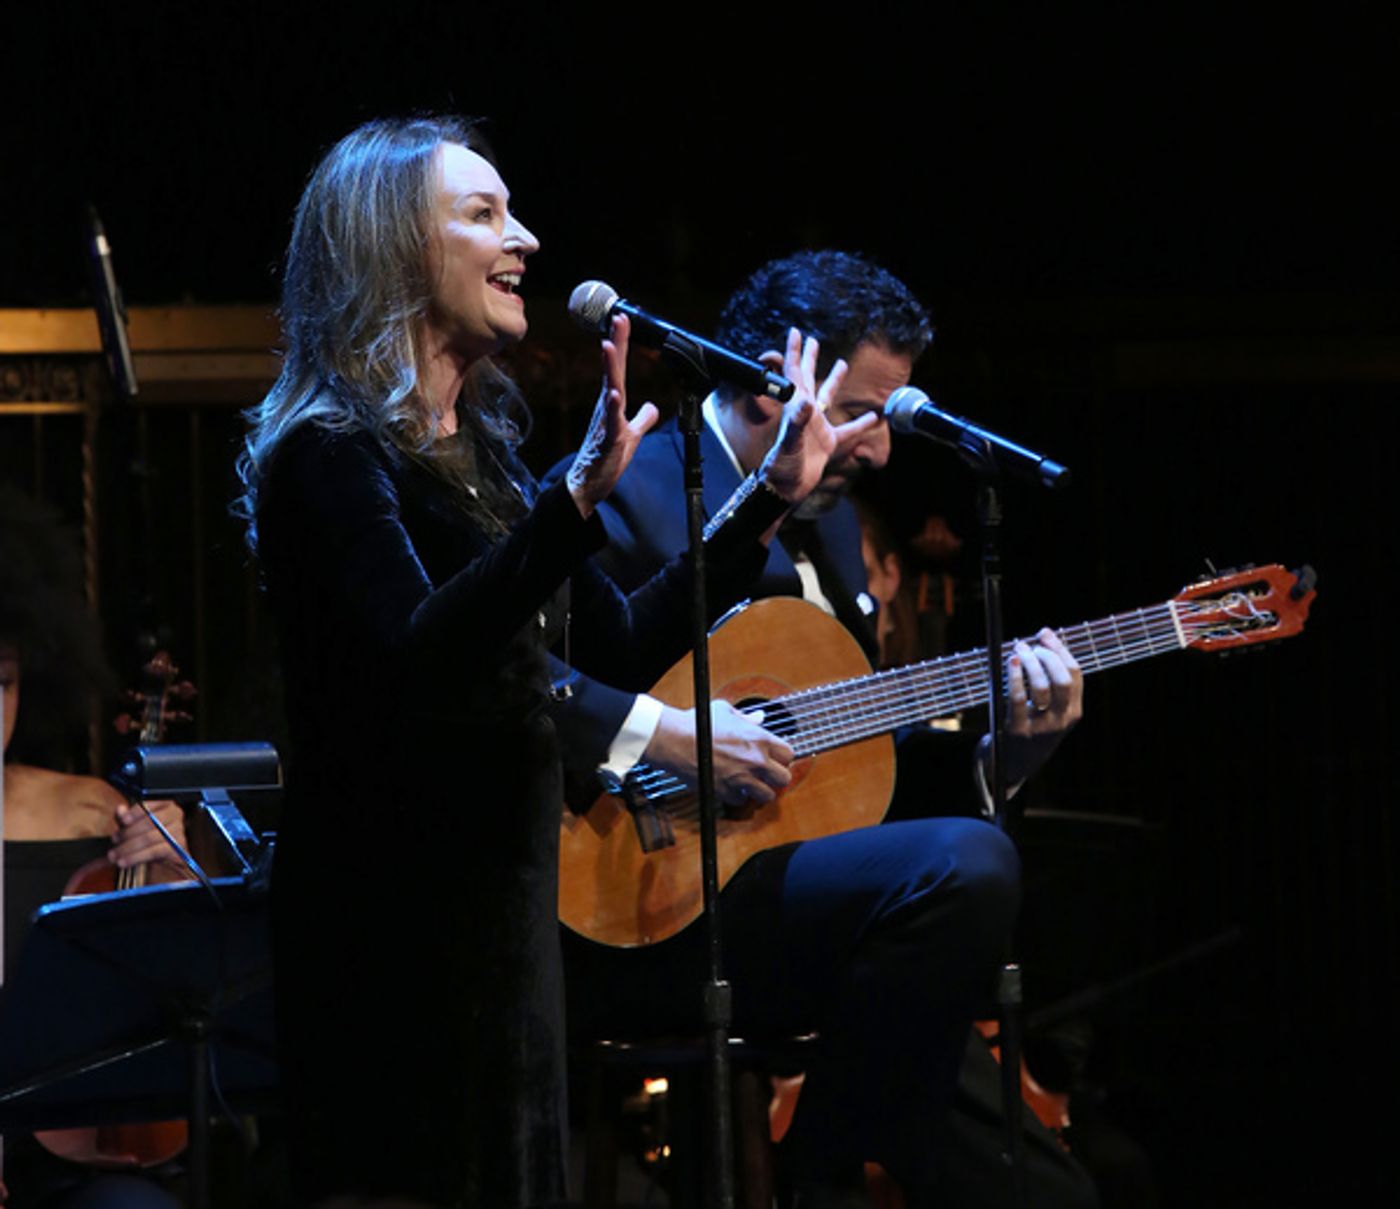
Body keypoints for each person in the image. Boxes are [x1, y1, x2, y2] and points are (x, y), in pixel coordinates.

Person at [234, 117, 864, 1209]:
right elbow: (417, 653)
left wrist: (767, 496)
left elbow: (616, 645)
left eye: (511, 209)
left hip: (505, 941)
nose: (521, 237)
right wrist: (567, 509)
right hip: (393, 954)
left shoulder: (474, 456)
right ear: (392, 249)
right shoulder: (327, 458)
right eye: (480, 214)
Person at [545, 250, 1091, 1207]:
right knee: (964, 875)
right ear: (774, 378)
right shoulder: (624, 489)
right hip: (642, 903)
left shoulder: (840, 532)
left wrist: (1006, 755)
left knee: (1055, 1192)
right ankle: (833, 1179)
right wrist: (670, 743)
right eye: (860, 411)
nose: (880, 448)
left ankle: (848, 1158)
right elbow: (530, 697)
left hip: (805, 903)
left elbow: (849, 755)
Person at [1, 486, 187, 1208]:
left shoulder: (90, 809)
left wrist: (171, 866)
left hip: (73, 1152)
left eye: (4, 683)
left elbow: (168, 993)